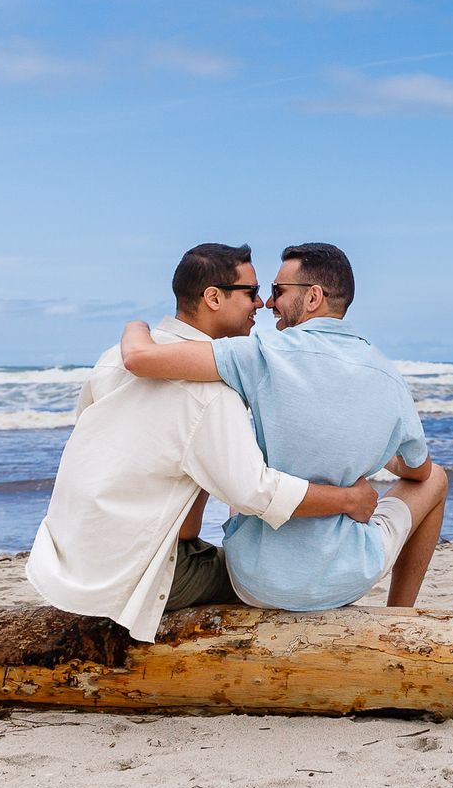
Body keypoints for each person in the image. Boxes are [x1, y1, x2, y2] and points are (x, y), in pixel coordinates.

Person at [27, 242, 379, 641]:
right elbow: (256, 492)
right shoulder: (211, 391)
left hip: (69, 559)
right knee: (260, 578)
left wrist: (134, 326)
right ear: (213, 297)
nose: (262, 304)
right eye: (250, 292)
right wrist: (350, 500)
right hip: (132, 573)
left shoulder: (113, 357)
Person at [120, 241, 448, 611]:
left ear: (313, 298)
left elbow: (140, 358)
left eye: (277, 291)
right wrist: (371, 450)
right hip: (347, 578)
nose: (269, 303)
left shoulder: (258, 355)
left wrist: (136, 325)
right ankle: (400, 614)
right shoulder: (387, 376)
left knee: (249, 447)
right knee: (437, 478)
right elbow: (417, 471)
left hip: (254, 580)